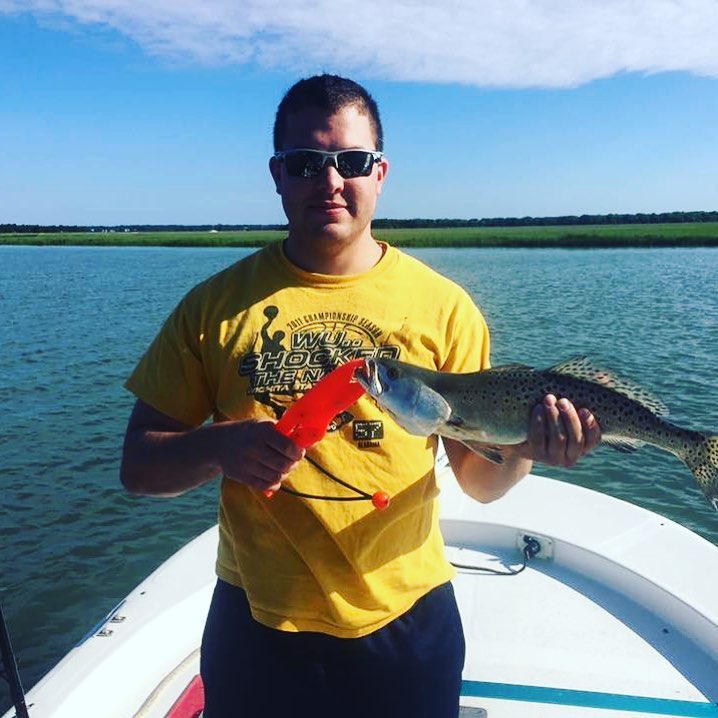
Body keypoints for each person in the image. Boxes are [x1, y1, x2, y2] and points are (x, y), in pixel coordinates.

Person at [120, 74, 601, 718]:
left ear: (380, 173)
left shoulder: (445, 307)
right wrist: (218, 445)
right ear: (277, 174)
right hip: (258, 620)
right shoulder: (213, 307)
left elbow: (482, 484)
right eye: (306, 163)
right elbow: (140, 468)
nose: (329, 181)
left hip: (407, 618)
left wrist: (530, 448)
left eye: (350, 161)